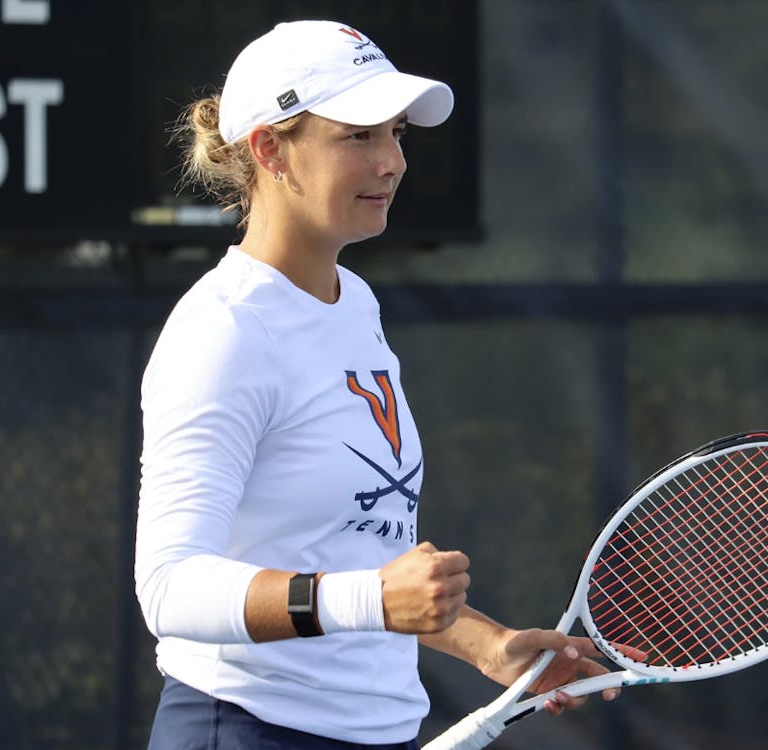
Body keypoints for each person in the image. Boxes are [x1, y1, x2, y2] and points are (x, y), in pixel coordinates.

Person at [135, 19, 621, 750]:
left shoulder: (354, 305)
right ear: (270, 149)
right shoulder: (222, 332)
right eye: (358, 135)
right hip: (245, 731)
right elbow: (170, 586)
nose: (393, 160)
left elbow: (353, 548)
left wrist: (490, 646)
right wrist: (373, 599)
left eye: (395, 133)